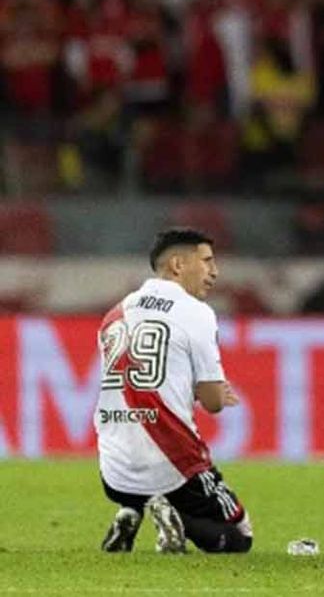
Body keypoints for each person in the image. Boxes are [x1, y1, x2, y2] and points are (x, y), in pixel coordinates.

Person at [96, 228, 251, 554]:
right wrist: (212, 393)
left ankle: (131, 511)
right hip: (172, 465)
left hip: (114, 473)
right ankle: (173, 516)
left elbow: (137, 383)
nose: (215, 271)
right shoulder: (196, 312)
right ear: (178, 265)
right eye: (207, 261)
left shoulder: (115, 314)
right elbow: (213, 403)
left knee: (141, 487)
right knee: (239, 536)